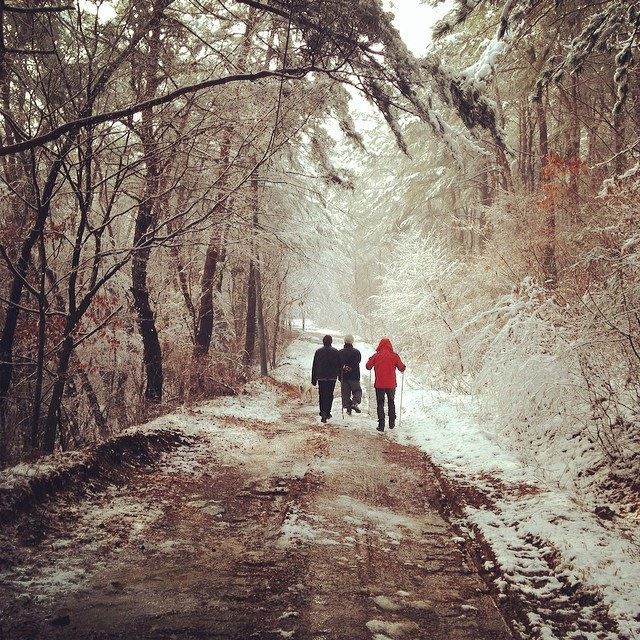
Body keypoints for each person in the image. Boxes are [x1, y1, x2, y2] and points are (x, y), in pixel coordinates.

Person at [366, 337, 406, 432]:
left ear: (380, 345)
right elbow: (401, 367)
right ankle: (392, 423)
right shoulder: (394, 356)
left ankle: (381, 425)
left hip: (379, 384)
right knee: (391, 402)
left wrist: (370, 359)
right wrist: (403, 367)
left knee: (380, 403)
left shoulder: (376, 356)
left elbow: (368, 366)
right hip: (391, 384)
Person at [311, 334, 341, 423]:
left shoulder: (318, 352)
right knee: (330, 394)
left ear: (323, 342)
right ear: (331, 342)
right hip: (332, 377)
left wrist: (313, 379)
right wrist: (340, 376)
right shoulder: (336, 352)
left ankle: (322, 412)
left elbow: (315, 366)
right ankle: (328, 412)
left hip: (321, 377)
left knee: (322, 394)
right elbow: (339, 365)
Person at [339, 335, 362, 415]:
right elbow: (357, 362)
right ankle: (354, 403)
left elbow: (338, 364)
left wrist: (342, 371)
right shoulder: (357, 352)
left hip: (344, 376)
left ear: (344, 341)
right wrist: (350, 367)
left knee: (345, 393)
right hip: (354, 376)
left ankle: (348, 408)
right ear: (352, 341)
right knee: (357, 390)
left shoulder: (340, 352)